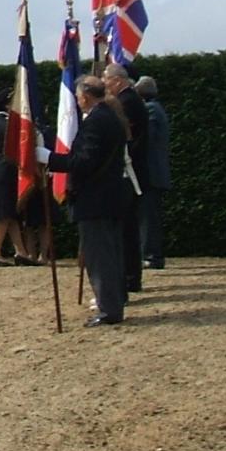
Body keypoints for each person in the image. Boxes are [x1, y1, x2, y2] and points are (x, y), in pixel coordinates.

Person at [42, 75, 130, 326]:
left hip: (95, 198)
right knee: (110, 254)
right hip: (108, 196)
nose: (77, 100)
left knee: (100, 257)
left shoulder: (96, 121)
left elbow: (84, 162)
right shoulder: (109, 117)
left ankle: (109, 309)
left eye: (79, 95)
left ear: (86, 96)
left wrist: (50, 159)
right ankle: (113, 302)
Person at [103, 61, 148, 295]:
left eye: (106, 79)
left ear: (118, 80)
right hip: (130, 171)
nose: (104, 83)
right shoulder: (128, 99)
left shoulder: (127, 102)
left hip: (130, 171)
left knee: (126, 230)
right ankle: (130, 277)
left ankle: (129, 278)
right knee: (128, 229)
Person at [0, 88, 33, 266]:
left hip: (5, 173)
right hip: (3, 174)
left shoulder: (3, 122)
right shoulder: (4, 124)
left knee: (12, 215)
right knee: (3, 215)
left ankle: (21, 252)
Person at [136, 75, 171, 269]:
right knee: (148, 217)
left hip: (151, 174)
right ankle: (150, 253)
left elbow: (146, 139)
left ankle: (151, 255)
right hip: (153, 173)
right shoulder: (155, 108)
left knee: (148, 217)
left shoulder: (150, 110)